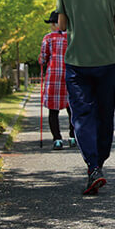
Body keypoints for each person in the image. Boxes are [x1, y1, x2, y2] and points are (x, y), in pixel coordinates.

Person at [56, 0, 115, 195]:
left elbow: (62, 26)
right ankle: (99, 163)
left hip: (77, 61)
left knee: (82, 116)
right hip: (107, 59)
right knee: (105, 114)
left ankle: (93, 166)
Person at [39, 11, 74, 149]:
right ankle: (72, 137)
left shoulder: (48, 38)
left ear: (55, 24)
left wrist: (42, 60)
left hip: (53, 78)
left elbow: (43, 59)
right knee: (72, 108)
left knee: (53, 111)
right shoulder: (72, 37)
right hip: (70, 76)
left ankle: (57, 139)